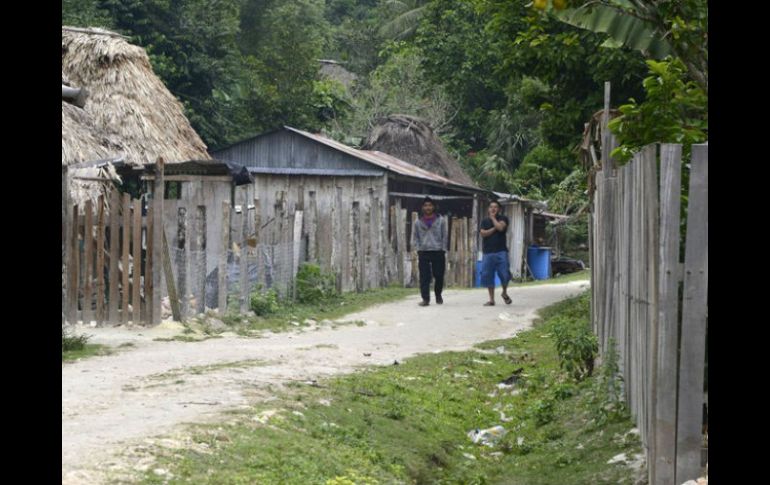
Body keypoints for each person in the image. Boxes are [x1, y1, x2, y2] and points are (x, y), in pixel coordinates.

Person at [411, 196, 448, 306]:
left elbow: (444, 235)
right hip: (423, 251)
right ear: (422, 207)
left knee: (439, 275)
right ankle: (425, 299)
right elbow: (415, 237)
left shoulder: (440, 220)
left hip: (438, 251)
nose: (428, 207)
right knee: (424, 276)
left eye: (430, 205)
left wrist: (443, 249)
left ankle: (438, 294)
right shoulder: (418, 222)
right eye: (425, 205)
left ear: (434, 207)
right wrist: (418, 248)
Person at [479, 200, 512, 306]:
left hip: (501, 251)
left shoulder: (503, 218)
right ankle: (492, 300)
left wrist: (493, 219)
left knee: (505, 274)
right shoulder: (484, 221)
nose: (493, 209)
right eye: (491, 207)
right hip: (488, 252)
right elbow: (483, 233)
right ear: (488, 209)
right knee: (488, 275)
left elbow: (501, 228)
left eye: (495, 207)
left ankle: (504, 292)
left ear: (499, 209)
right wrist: (494, 229)